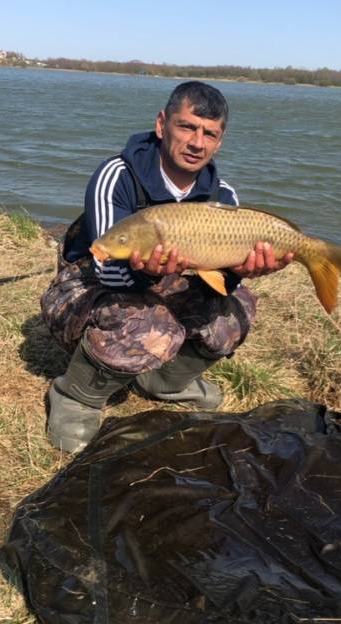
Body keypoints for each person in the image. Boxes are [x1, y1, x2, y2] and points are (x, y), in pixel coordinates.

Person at [41, 81, 293, 453]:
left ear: (219, 142)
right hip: (85, 287)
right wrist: (149, 272)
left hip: (161, 284)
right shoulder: (117, 175)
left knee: (238, 310)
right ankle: (76, 396)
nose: (197, 142)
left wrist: (243, 272)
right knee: (150, 325)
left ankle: (164, 382)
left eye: (209, 134)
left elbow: (220, 281)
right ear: (162, 125)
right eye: (187, 127)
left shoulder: (223, 195)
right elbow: (107, 266)